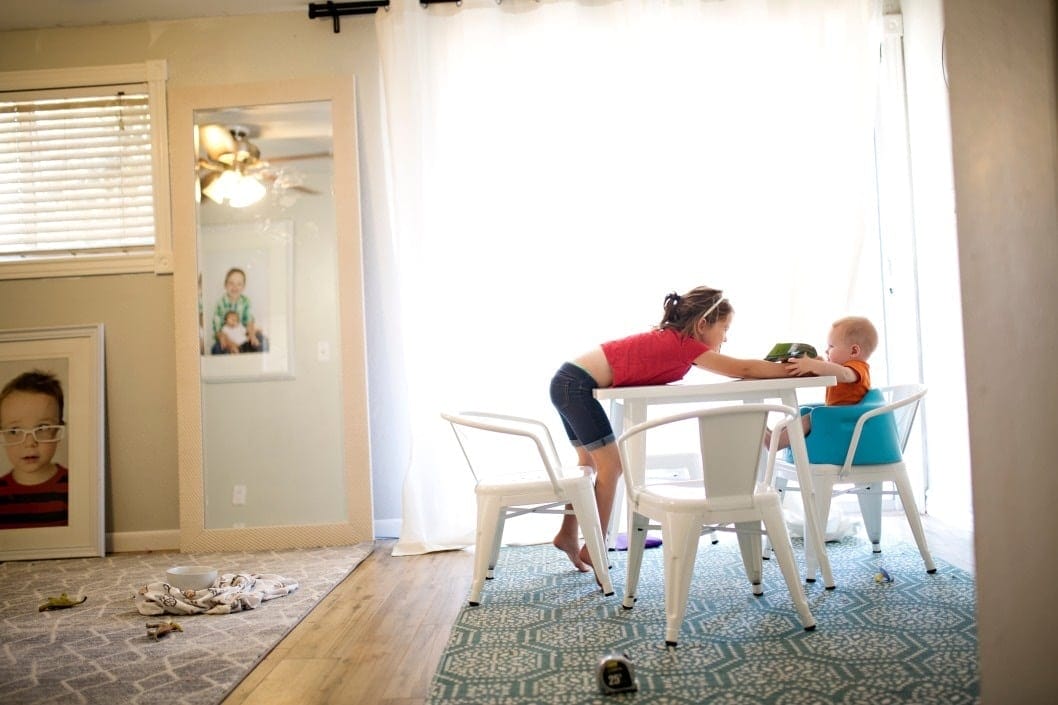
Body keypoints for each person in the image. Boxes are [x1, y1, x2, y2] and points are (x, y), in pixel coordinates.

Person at [549, 286, 796, 571]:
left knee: (588, 464)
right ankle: (594, 546)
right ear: (702, 324)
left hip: (567, 380)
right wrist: (793, 368)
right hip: (575, 385)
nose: (725, 337)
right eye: (724, 328)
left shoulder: (672, 341)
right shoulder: (683, 344)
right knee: (611, 466)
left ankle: (568, 534)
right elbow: (745, 369)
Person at [767, 315, 877, 449]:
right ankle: (775, 434)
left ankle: (776, 443)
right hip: (839, 419)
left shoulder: (858, 368)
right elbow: (834, 370)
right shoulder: (844, 367)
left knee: (809, 419)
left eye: (831, 346)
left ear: (854, 351)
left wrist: (814, 365)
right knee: (800, 413)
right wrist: (816, 363)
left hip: (849, 423)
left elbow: (844, 374)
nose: (826, 350)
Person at [0, 370, 68, 529]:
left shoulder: (74, 487)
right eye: (15, 431)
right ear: (3, 435)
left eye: (42, 428)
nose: (30, 443)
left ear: (57, 432)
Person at [211, 267, 267, 354]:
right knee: (216, 349)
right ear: (225, 285)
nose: (235, 287)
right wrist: (229, 343)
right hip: (227, 337)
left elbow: (249, 321)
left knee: (262, 340)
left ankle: (252, 359)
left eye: (239, 284)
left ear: (243, 287)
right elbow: (217, 330)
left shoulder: (245, 301)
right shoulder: (220, 303)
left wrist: (252, 335)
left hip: (243, 336)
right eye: (231, 283)